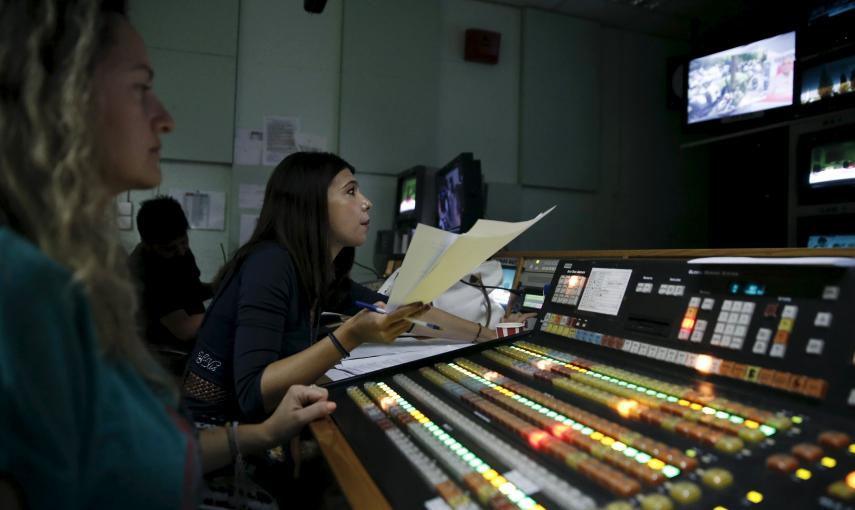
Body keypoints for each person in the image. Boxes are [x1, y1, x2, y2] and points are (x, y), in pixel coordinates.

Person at [0, 1, 334, 508]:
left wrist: (267, 433)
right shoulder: (25, 287)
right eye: (140, 88)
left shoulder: (74, 273)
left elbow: (132, 452)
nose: (165, 118)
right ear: (63, 100)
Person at [184, 152, 496, 425]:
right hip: (219, 436)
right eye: (350, 192)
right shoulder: (271, 263)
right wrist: (350, 334)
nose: (366, 202)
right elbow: (255, 394)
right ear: (312, 206)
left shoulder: (318, 273)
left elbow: (402, 311)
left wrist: (488, 337)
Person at [128, 195, 213, 373]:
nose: (181, 251)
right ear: (148, 245)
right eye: (170, 248)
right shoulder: (145, 272)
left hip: (191, 348)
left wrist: (221, 284)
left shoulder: (179, 254)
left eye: (184, 242)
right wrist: (231, 306)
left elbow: (191, 291)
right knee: (216, 377)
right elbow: (185, 328)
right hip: (165, 358)